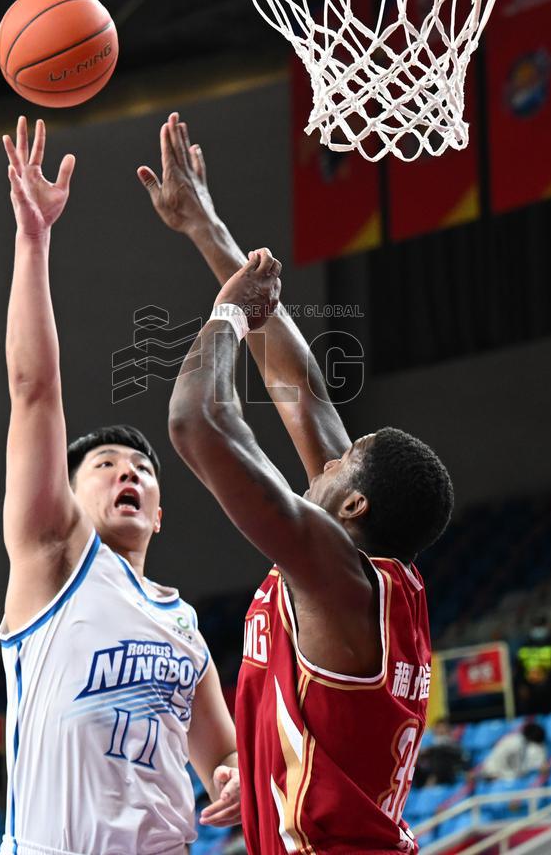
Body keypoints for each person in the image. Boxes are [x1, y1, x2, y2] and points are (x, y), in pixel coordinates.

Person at [140, 115, 453, 854]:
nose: (331, 454)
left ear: (354, 504)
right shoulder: (370, 575)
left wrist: (224, 314)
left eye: (344, 462)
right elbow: (303, 393)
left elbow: (196, 425)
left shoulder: (334, 571)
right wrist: (207, 229)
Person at [0, 117, 241, 855]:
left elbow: (222, 757)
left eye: (140, 470)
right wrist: (33, 240)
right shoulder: (52, 561)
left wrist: (231, 776)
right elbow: (33, 390)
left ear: (161, 514)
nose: (126, 471)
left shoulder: (184, 625)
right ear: (67, 499)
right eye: (102, 466)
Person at [514, 615, 551, 715]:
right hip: (530, 690)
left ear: (546, 625)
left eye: (540, 625)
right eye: (536, 625)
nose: (538, 628)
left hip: (550, 690)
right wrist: (522, 685)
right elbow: (518, 668)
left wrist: (550, 680)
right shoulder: (524, 645)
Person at [481, 723, 548, 781]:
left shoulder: (529, 746)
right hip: (494, 772)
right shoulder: (514, 742)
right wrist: (497, 774)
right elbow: (499, 759)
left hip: (510, 775)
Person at [414, 718, 470, 788]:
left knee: (440, 753)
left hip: (450, 777)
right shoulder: (431, 744)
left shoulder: (454, 745)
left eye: (442, 728)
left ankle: (433, 779)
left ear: (448, 730)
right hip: (428, 776)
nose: (440, 730)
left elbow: (463, 758)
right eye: (437, 728)